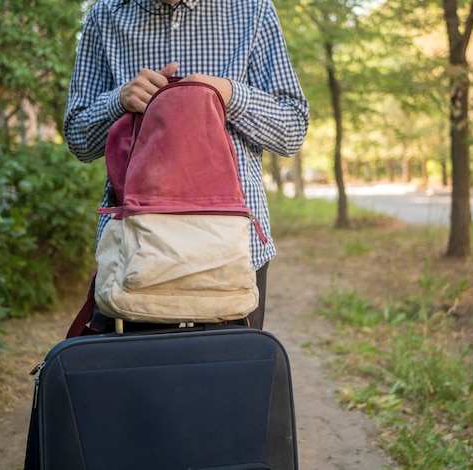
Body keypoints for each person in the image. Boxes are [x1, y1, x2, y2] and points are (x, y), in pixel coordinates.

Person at [64, 0, 309, 331]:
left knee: (232, 382)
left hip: (231, 253)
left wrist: (231, 96)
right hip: (137, 253)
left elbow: (292, 130)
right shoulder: (105, 15)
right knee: (137, 382)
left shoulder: (253, 10)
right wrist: (119, 101)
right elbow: (78, 140)